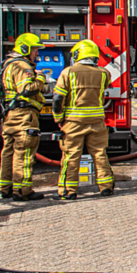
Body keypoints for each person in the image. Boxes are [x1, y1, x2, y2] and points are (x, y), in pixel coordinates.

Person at [53, 39, 115, 200]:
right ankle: (106, 187)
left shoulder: (68, 72)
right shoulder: (104, 73)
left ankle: (68, 191)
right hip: (97, 121)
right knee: (100, 154)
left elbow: (58, 98)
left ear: (77, 54)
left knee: (71, 156)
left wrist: (58, 118)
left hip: (73, 122)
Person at [0, 33, 49, 201]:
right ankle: (22, 190)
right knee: (24, 152)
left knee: (9, 151)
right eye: (34, 49)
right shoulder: (21, 66)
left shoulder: (9, 64)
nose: (37, 53)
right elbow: (27, 90)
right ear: (25, 48)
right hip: (23, 115)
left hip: (11, 115)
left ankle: (6, 187)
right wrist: (41, 77)